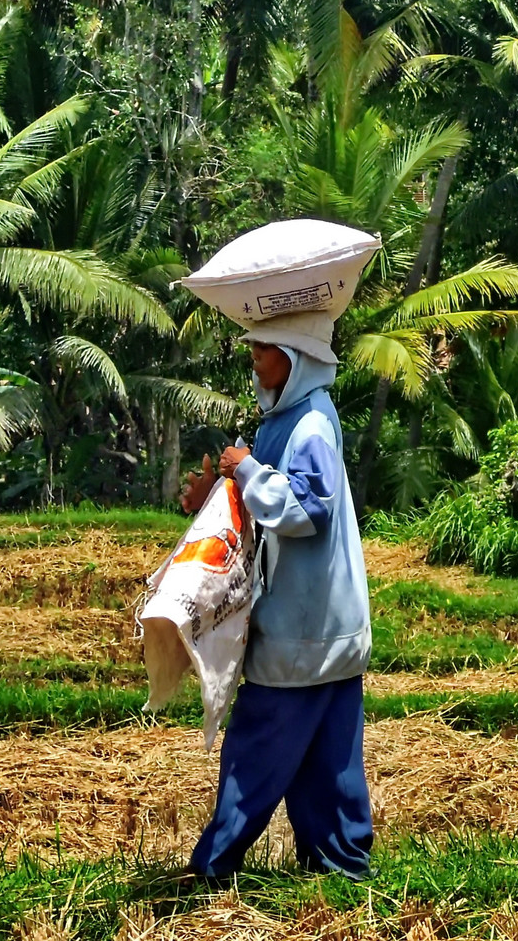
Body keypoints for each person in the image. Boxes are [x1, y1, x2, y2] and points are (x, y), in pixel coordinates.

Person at [177, 314, 374, 881]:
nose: (256, 360)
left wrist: (248, 473)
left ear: (294, 359)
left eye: (265, 350)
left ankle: (213, 868)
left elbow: (308, 509)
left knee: (257, 750)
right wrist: (219, 485)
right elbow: (262, 496)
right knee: (326, 760)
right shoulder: (286, 419)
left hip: (302, 626)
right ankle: (341, 869)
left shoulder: (309, 425)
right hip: (325, 626)